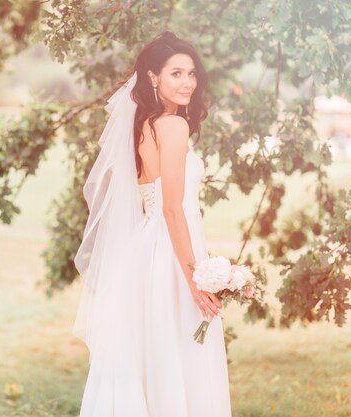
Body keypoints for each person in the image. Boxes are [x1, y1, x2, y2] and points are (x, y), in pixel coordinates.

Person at [73, 31, 232, 416]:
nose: (187, 83)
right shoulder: (173, 127)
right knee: (178, 355)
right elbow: (172, 209)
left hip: (147, 250)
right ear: (152, 77)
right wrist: (196, 279)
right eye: (176, 73)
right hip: (174, 254)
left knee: (151, 355)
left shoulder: (142, 125)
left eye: (191, 74)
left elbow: (153, 202)